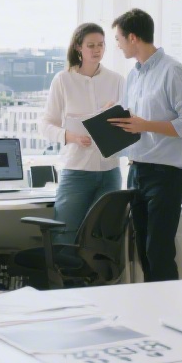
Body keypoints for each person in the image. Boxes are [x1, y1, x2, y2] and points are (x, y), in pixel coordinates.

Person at [108, 8, 182, 282]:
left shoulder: (173, 71)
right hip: (136, 171)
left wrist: (145, 125)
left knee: (158, 251)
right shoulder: (133, 76)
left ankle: (166, 313)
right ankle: (150, 314)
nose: (117, 44)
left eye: (118, 39)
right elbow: (133, 122)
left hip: (166, 175)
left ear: (133, 38)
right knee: (143, 253)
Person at [39, 23, 125, 244]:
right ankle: (66, 279)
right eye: (91, 45)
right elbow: (46, 125)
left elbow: (129, 123)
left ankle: (96, 281)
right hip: (76, 171)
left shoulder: (116, 80)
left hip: (110, 171)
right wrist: (72, 137)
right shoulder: (63, 80)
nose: (97, 50)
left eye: (101, 45)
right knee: (65, 235)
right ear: (78, 47)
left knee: (105, 239)